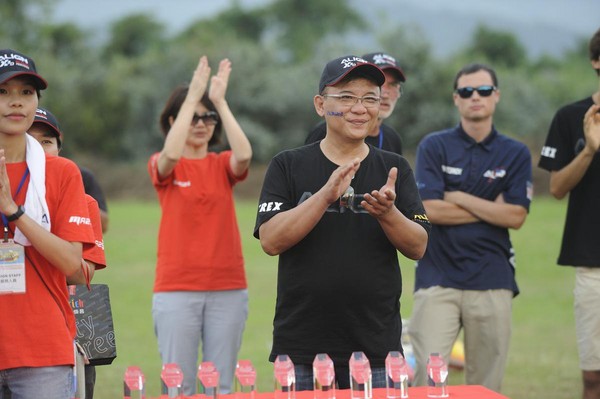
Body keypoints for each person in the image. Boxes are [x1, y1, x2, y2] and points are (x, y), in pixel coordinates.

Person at [254, 55, 430, 390]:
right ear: (321, 105)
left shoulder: (395, 168)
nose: (359, 108)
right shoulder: (287, 165)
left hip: (377, 350)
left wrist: (388, 213)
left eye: (369, 99)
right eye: (346, 97)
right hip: (302, 350)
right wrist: (324, 196)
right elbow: (271, 241)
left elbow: (418, 246)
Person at [410, 63, 532, 392]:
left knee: (486, 388)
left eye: (483, 90)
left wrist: (460, 196)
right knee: (427, 381)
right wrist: (494, 207)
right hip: (437, 278)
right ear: (456, 99)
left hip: (493, 279)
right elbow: (430, 209)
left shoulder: (516, 152)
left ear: (497, 96)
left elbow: (517, 217)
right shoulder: (433, 146)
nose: (475, 97)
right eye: (466, 91)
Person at [148, 55, 252, 395]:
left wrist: (219, 102)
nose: (202, 122)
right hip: (177, 288)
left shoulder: (222, 164)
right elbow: (170, 157)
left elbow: (245, 155)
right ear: (174, 121)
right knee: (179, 385)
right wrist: (192, 96)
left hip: (228, 287)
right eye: (193, 117)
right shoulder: (165, 166)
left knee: (220, 384)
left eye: (208, 118)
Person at [0, 49, 94, 398]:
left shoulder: (62, 172)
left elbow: (73, 265)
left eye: (27, 93)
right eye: (4, 92)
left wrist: (14, 211)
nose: (16, 103)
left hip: (42, 351)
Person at [28, 106, 107, 399]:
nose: (39, 151)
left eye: (47, 142)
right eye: (29, 141)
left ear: (60, 149)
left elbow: (80, 273)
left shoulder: (84, 202)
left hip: (64, 332)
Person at [538, 27, 600, 399]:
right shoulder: (570, 117)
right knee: (593, 379)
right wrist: (590, 149)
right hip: (593, 266)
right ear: (596, 62)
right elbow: (558, 188)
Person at [305, 52, 405, 154]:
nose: (385, 94)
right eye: (381, 84)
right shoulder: (323, 133)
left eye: (393, 85)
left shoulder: (393, 138)